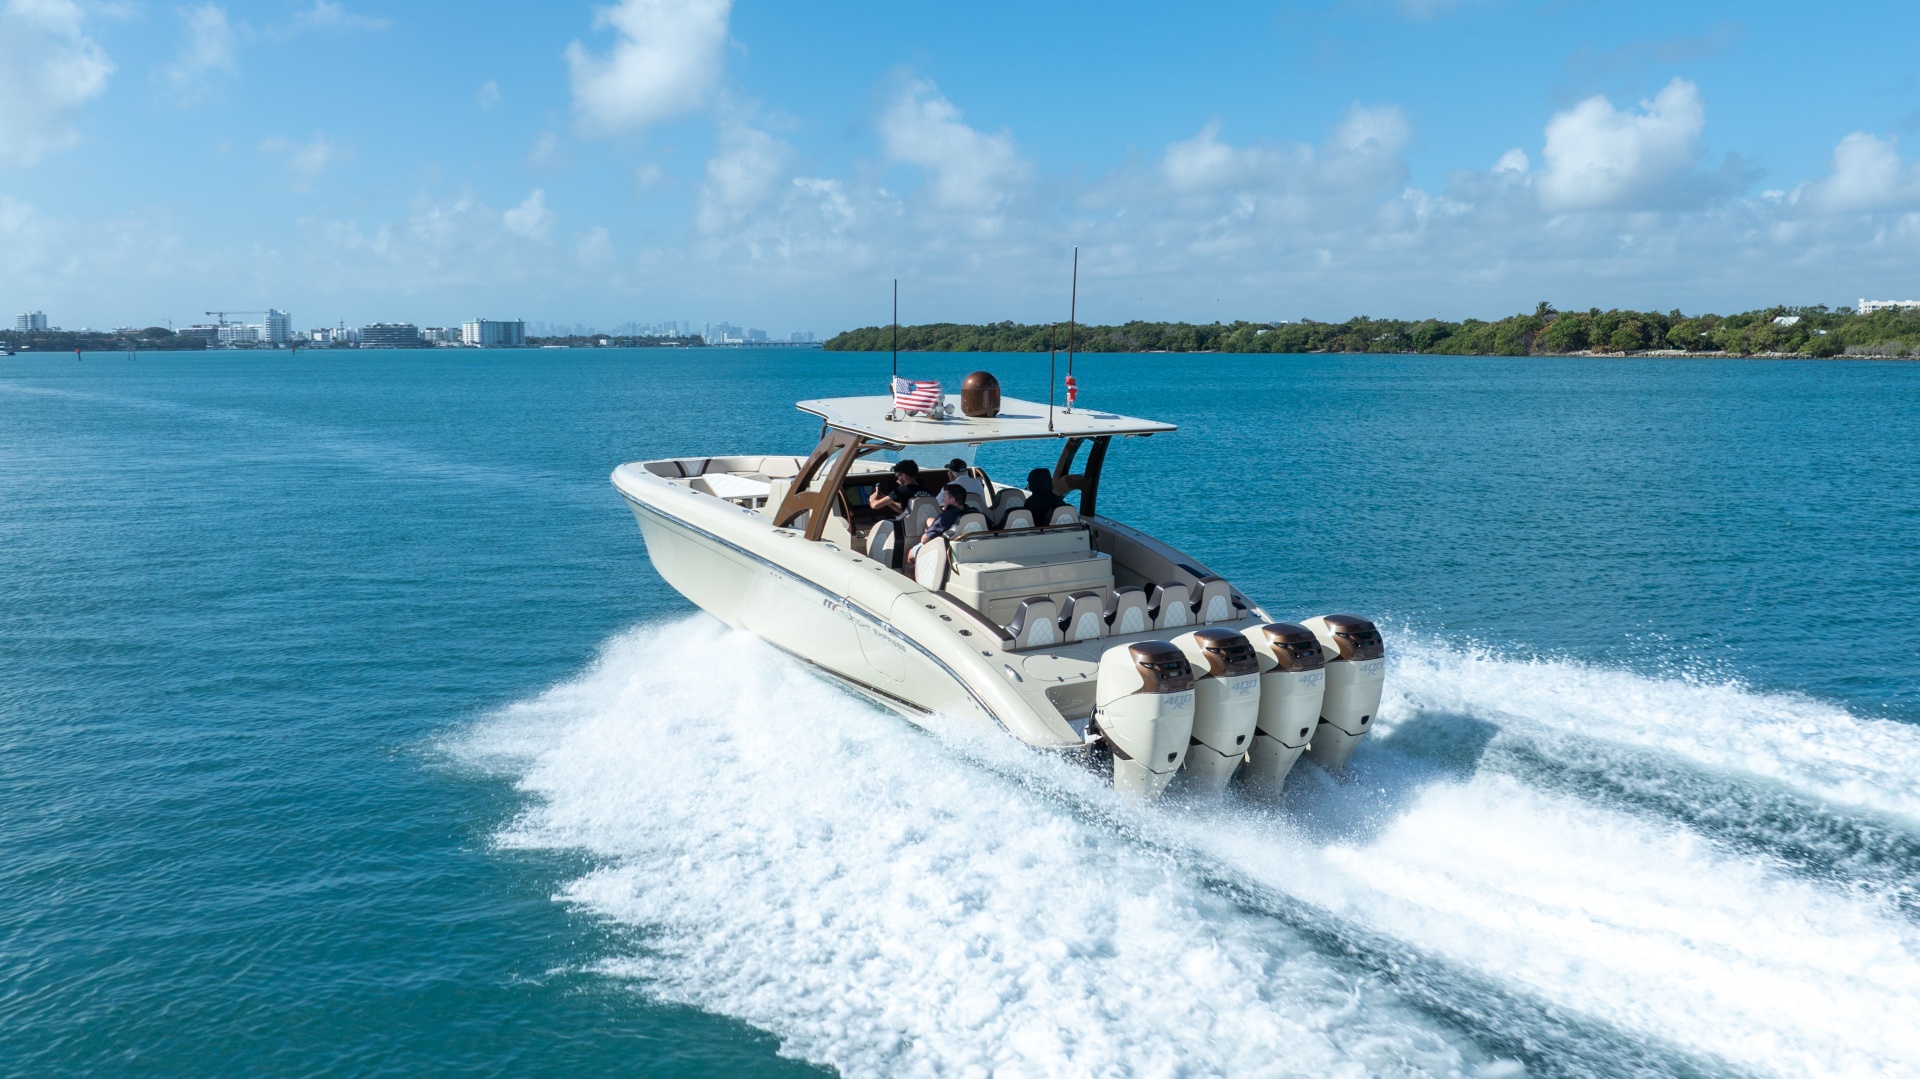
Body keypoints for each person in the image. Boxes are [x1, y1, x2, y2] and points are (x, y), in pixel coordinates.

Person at [907, 483, 970, 569]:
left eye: (944, 497)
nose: (943, 500)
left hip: (947, 550)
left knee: (910, 554)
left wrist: (926, 532)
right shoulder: (974, 512)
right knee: (930, 520)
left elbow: (924, 539)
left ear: (952, 501)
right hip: (967, 548)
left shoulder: (946, 517)